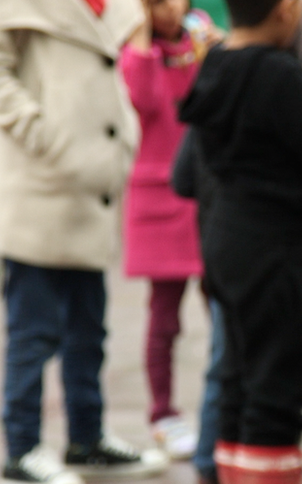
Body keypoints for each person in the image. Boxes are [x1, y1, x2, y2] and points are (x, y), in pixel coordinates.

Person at [0, 0, 168, 484]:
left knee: (88, 328)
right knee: (33, 332)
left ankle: (86, 439)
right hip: (38, 188)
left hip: (88, 192)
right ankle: (21, 452)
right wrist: (43, 131)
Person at [177, 0, 302, 484]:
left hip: (226, 245)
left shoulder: (215, 65)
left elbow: (193, 173)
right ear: (282, 12)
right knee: (280, 378)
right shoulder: (279, 72)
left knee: (239, 376)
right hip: (279, 251)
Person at [120, 0, 221, 460]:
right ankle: (162, 414)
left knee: (223, 308)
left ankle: (222, 407)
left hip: (207, 194)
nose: (173, 8)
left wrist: (219, 53)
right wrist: (140, 40)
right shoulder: (134, 52)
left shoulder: (200, 40)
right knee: (164, 316)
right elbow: (141, 101)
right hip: (159, 198)